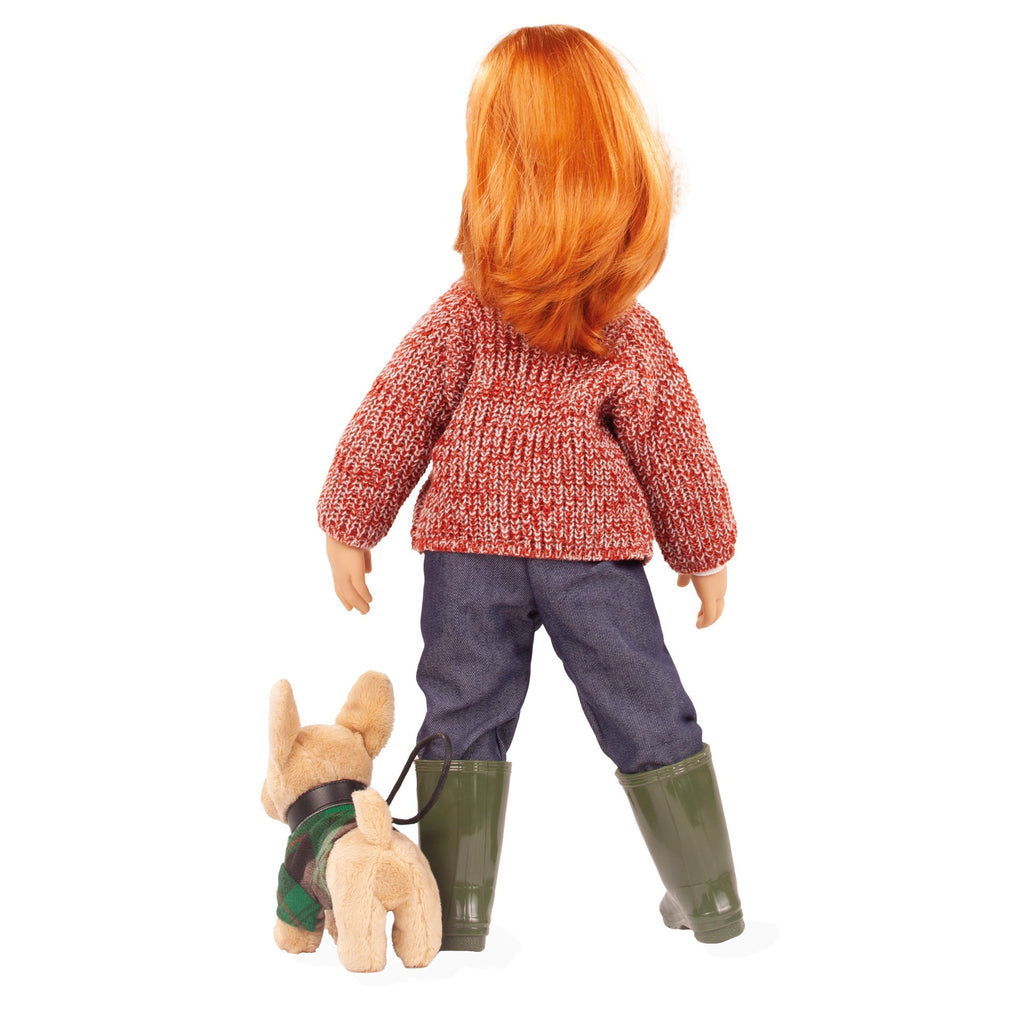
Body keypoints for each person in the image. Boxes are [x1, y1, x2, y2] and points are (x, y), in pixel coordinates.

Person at [317, 25, 744, 951]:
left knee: (462, 713)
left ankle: (454, 914)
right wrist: (704, 550)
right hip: (593, 562)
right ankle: (709, 896)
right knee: (646, 704)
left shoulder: (466, 316)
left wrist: (352, 522)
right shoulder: (625, 330)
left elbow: (393, 416)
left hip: (468, 556)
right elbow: (675, 449)